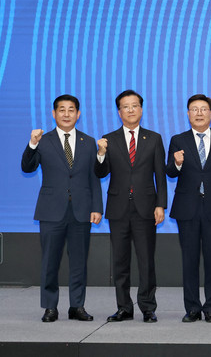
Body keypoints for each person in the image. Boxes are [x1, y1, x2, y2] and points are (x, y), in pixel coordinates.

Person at [21, 95, 103, 322]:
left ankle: (77, 306)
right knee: (50, 261)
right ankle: (50, 307)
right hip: (51, 210)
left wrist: (97, 207)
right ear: (54, 113)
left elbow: (94, 178)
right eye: (62, 110)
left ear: (78, 114)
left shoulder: (88, 141)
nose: (66, 114)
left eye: (71, 109)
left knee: (79, 262)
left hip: (81, 210)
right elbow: (27, 167)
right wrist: (32, 144)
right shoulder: (43, 140)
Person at [166, 94, 211, 323]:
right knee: (189, 260)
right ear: (188, 114)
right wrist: (177, 163)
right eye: (194, 109)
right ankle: (192, 308)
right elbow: (170, 172)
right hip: (187, 208)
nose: (199, 113)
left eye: (203, 109)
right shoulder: (178, 140)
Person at [95, 89, 166, 323]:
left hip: (146, 208)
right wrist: (101, 154)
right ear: (119, 112)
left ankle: (147, 307)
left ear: (141, 109)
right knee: (120, 261)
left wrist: (161, 205)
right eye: (125, 107)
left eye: (134, 105)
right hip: (118, 208)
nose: (130, 110)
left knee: (146, 261)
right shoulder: (109, 139)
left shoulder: (153, 138)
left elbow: (160, 176)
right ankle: (123, 307)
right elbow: (101, 172)